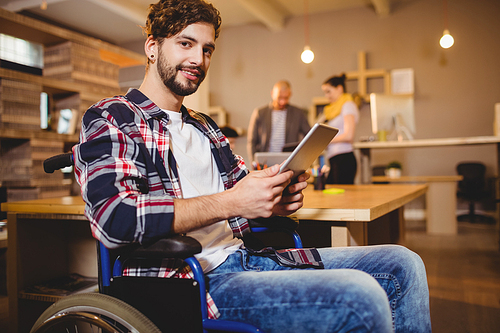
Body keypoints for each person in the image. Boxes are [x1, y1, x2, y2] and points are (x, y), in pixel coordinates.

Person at [73, 0, 431, 332]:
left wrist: (275, 198)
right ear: (152, 48)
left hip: (249, 258)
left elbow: (246, 197)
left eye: (207, 48)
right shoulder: (112, 117)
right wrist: (233, 201)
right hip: (194, 281)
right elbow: (115, 219)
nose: (199, 58)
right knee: (360, 296)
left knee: (404, 265)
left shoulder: (205, 127)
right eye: (186, 44)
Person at [247, 80, 311, 163]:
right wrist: (253, 161)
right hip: (265, 162)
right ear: (272, 93)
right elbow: (252, 140)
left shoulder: (298, 113)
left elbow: (309, 136)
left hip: (289, 161)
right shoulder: (260, 113)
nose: (282, 101)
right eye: (279, 98)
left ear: (290, 94)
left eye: (286, 98)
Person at [320, 74, 359, 184]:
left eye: (329, 91)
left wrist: (326, 141)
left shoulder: (348, 106)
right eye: (325, 92)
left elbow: (349, 135)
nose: (327, 96)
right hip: (334, 159)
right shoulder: (332, 110)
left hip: (344, 158)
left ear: (339, 88)